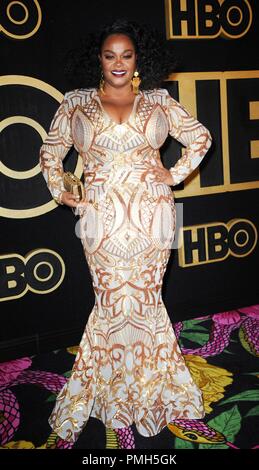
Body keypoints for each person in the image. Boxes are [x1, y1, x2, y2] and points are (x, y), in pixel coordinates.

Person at [39, 18, 212, 444]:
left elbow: (201, 138)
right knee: (113, 300)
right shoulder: (76, 102)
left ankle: (154, 393)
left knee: (148, 300)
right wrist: (63, 191)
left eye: (127, 54)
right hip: (100, 219)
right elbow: (50, 152)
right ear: (98, 58)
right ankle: (114, 395)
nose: (118, 62)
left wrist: (172, 175)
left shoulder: (158, 100)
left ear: (139, 59)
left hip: (155, 214)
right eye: (110, 54)